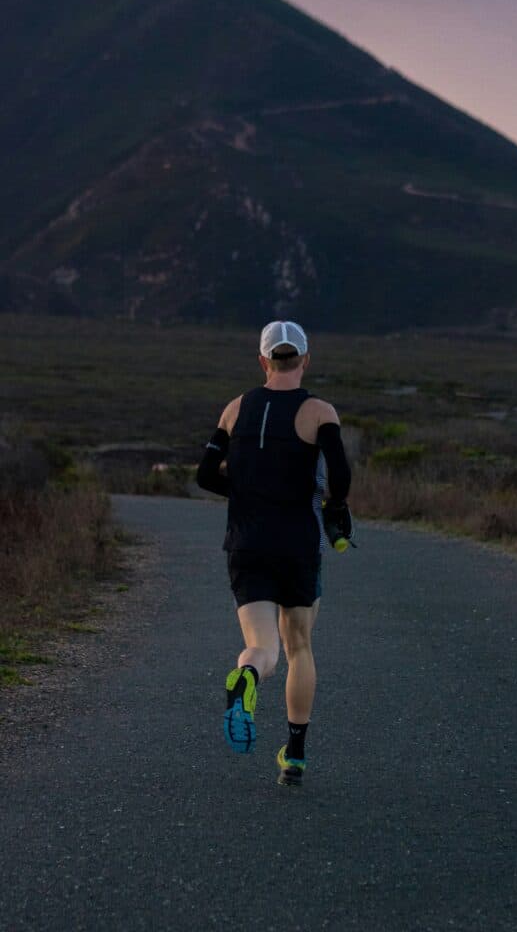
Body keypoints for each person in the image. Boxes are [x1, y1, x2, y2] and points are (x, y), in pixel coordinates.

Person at [196, 320, 352, 787]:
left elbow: (205, 474)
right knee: (299, 645)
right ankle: (296, 755)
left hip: (246, 542)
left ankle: (246, 677)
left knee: (262, 647)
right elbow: (340, 479)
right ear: (305, 358)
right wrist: (334, 507)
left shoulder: (235, 408)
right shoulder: (320, 412)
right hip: (296, 543)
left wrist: (245, 493)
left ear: (263, 360)